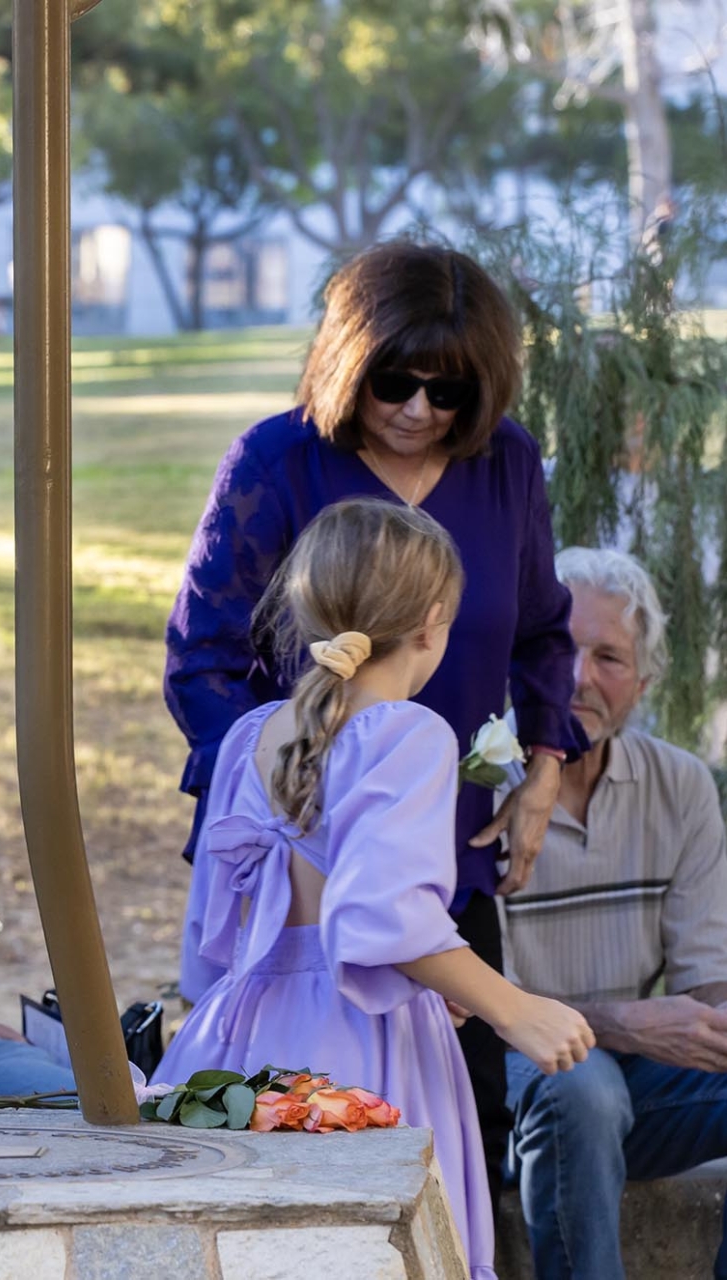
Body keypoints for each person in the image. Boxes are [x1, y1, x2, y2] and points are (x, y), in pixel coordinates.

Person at [163, 241, 587, 1183]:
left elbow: (544, 632)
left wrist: (541, 771)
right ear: (350, 361)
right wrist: (299, 796)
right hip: (298, 889)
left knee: (457, 1115)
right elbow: (203, 658)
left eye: (450, 394)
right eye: (395, 381)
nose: (418, 410)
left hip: (450, 862)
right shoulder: (276, 460)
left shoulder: (507, 465)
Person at [158, 498, 595, 1280]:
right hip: (357, 1056)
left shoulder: (250, 737)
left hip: (236, 1045)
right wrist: (514, 1007)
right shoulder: (406, 733)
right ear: (433, 623)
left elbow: (211, 940)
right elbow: (378, 918)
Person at [501, 547, 727, 1280]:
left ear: (643, 683)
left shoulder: (681, 786)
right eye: (561, 649)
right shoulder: (478, 783)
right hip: (508, 1086)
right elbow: (475, 1007)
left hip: (634, 1084)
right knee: (583, 1088)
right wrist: (620, 1022)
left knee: (600, 1084)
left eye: (609, 658)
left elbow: (706, 982)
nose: (579, 678)